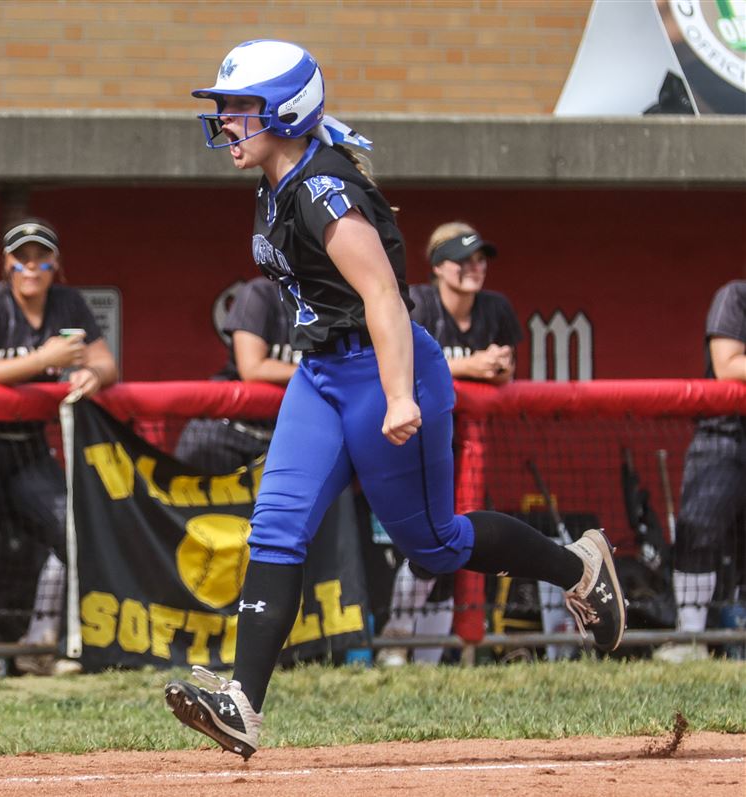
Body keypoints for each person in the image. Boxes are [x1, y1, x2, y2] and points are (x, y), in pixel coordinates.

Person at [165, 40, 626, 759]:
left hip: (383, 371)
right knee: (276, 526)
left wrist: (400, 393)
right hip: (321, 374)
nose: (226, 121)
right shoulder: (279, 180)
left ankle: (581, 568)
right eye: (225, 109)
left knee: (434, 546)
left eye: (240, 108)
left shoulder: (323, 190)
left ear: (287, 110)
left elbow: (384, 293)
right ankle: (242, 705)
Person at [0, 218, 117, 678]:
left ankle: (39, 643)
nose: (31, 267)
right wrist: (47, 359)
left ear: (56, 265)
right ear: (7, 263)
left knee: (68, 530)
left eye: (41, 258)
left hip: (29, 447)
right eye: (21, 258)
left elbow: (105, 362)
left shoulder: (68, 302)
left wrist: (93, 375)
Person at [376, 221, 525, 667]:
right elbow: (406, 363)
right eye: (463, 260)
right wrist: (474, 364)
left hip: (472, 451)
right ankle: (397, 635)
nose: (475, 268)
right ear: (439, 266)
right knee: (426, 540)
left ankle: (428, 660)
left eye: (480, 259)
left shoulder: (496, 308)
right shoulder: (418, 303)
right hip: (413, 444)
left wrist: (483, 366)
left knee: (457, 547)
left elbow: (505, 370)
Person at [655, 279, 745, 663]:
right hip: (725, 436)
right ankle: (690, 636)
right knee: (699, 528)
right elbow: (728, 364)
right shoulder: (735, 295)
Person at [174, 276, 299, 474]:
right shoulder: (262, 293)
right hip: (227, 431)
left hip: (284, 438)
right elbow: (252, 368)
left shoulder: (329, 303)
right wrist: (317, 371)